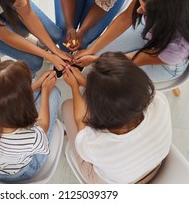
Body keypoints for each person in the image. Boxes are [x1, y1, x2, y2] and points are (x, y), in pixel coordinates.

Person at [74, 0, 189, 82]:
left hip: (163, 63)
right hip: (151, 33)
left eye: (145, 11)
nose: (138, 11)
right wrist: (92, 51)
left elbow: (138, 59)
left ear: (163, 18)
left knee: (104, 76)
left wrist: (96, 60)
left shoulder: (178, 47)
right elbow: (125, 18)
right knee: (95, 52)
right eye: (140, 4)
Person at [62, 51, 172, 183]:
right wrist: (94, 82)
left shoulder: (92, 144)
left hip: (117, 185)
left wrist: (74, 87)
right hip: (154, 168)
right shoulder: (160, 101)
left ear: (98, 111)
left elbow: (80, 120)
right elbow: (124, 92)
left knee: (67, 107)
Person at [0, 60, 60, 182]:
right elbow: (43, 126)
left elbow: (0, 98)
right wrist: (45, 91)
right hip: (17, 173)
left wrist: (36, 85)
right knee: (54, 93)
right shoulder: (28, 138)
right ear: (18, 107)